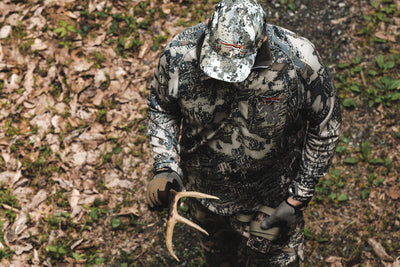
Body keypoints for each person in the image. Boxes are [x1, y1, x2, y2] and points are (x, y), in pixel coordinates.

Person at [145, 0, 341, 265]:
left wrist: (297, 199)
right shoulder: (178, 54)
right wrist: (165, 166)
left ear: (262, 39)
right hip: (204, 200)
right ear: (207, 27)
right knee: (220, 259)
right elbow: (162, 108)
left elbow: (324, 127)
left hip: (269, 207)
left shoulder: (300, 62)